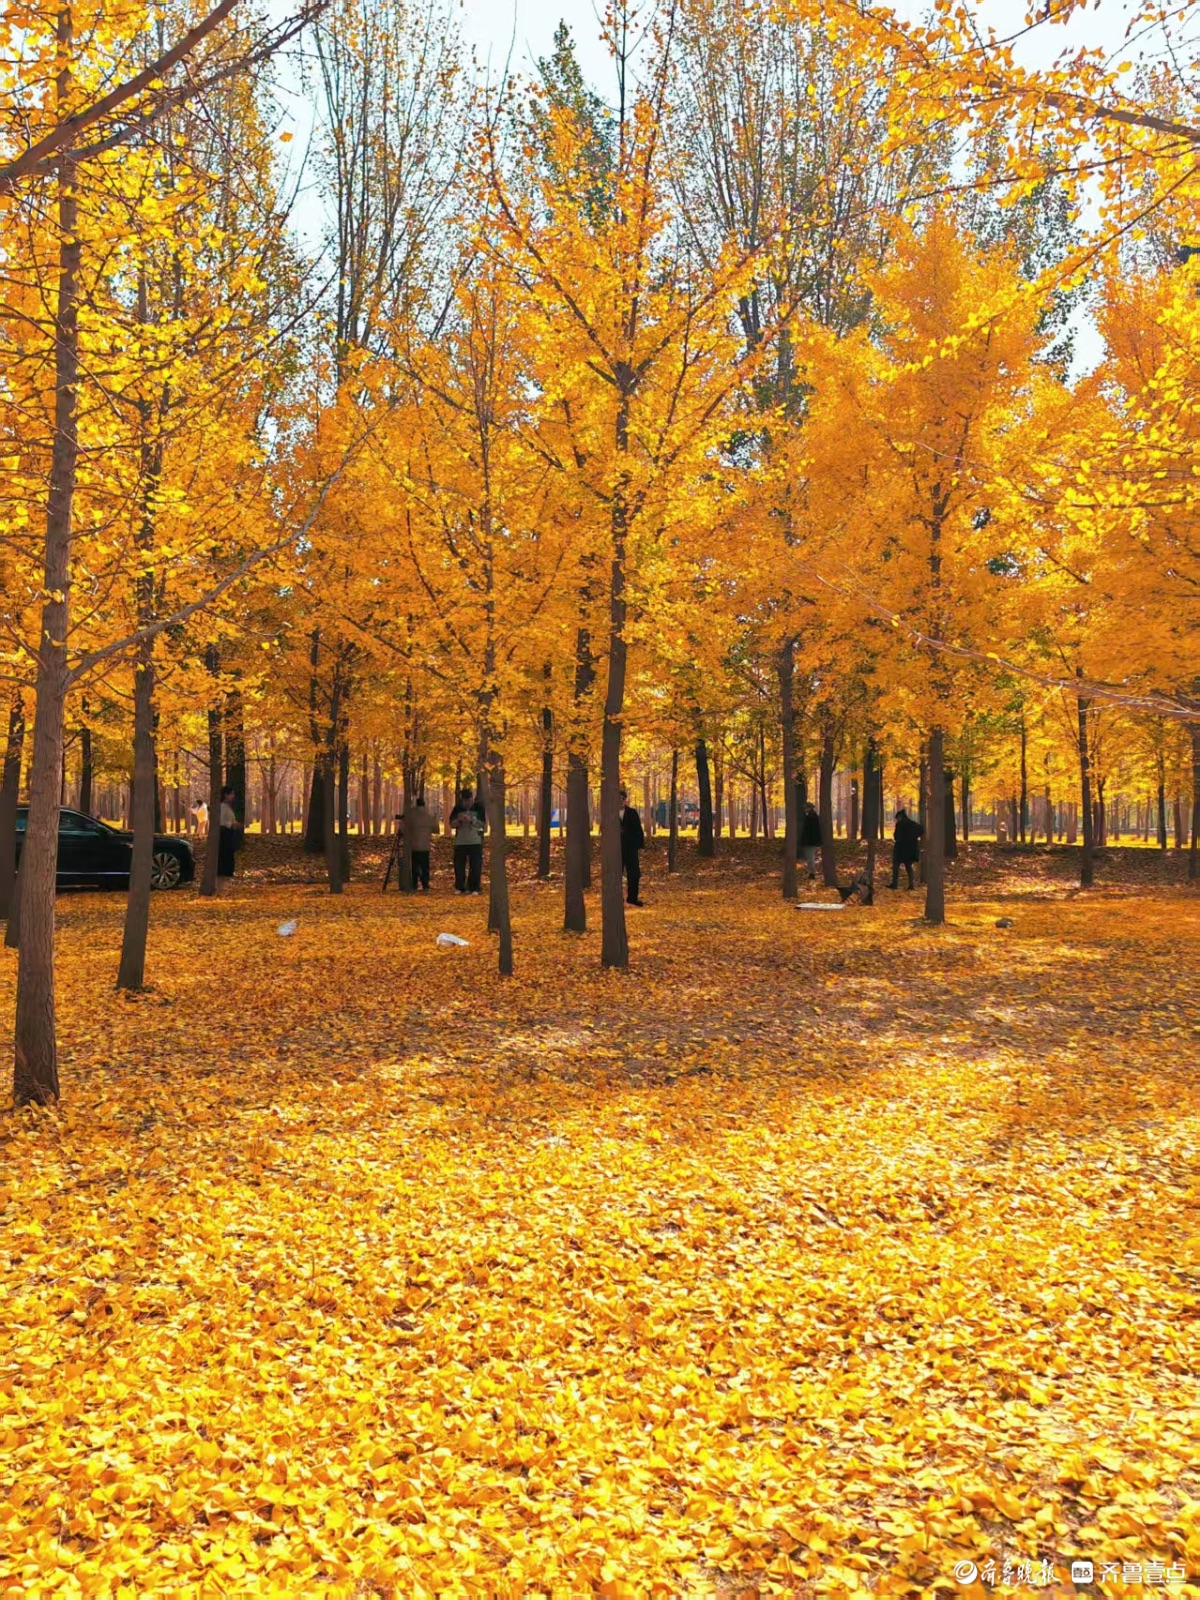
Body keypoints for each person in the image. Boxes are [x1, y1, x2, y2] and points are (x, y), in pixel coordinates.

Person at [449, 786, 486, 894]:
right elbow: (451, 824)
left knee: (476, 865)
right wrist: (459, 820)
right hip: (461, 842)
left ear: (472, 798)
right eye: (465, 800)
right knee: (459, 866)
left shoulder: (479, 808)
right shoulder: (457, 808)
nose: (467, 803)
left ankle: (475, 887)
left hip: (475, 841)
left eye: (469, 800)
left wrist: (472, 820)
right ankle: (460, 887)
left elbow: (483, 826)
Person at [619, 786, 645, 905]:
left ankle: (632, 897)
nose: (620, 801)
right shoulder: (611, 814)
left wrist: (639, 845)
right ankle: (617, 898)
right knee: (616, 874)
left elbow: (638, 830)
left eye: (622, 799)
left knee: (634, 873)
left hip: (631, 848)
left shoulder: (632, 813)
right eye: (618, 799)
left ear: (625, 800)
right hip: (616, 850)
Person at [405, 795, 437, 891]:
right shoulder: (428, 816)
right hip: (425, 846)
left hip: (414, 846)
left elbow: (405, 828)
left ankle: (414, 884)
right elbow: (435, 828)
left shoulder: (411, 815)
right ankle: (425, 884)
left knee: (415, 866)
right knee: (425, 867)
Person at [890, 807, 923, 890]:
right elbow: (921, 830)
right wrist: (913, 837)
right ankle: (911, 885)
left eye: (897, 818)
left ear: (900, 817)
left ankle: (895, 884)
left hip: (900, 848)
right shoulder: (913, 824)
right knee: (908, 867)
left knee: (896, 866)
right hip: (911, 848)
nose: (897, 820)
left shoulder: (900, 824)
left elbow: (896, 836)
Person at [217, 785, 240, 890]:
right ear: (226, 795)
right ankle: (219, 886)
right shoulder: (222, 807)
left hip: (229, 835)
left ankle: (223, 885)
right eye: (231, 794)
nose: (233, 796)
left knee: (228, 860)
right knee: (224, 861)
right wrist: (232, 824)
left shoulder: (227, 807)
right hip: (224, 837)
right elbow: (222, 823)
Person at [800, 801, 822, 881]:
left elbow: (810, 831)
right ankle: (810, 873)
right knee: (810, 858)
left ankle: (812, 874)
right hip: (811, 841)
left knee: (810, 858)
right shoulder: (811, 816)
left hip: (811, 842)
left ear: (809, 808)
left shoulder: (811, 817)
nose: (804, 809)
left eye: (806, 808)